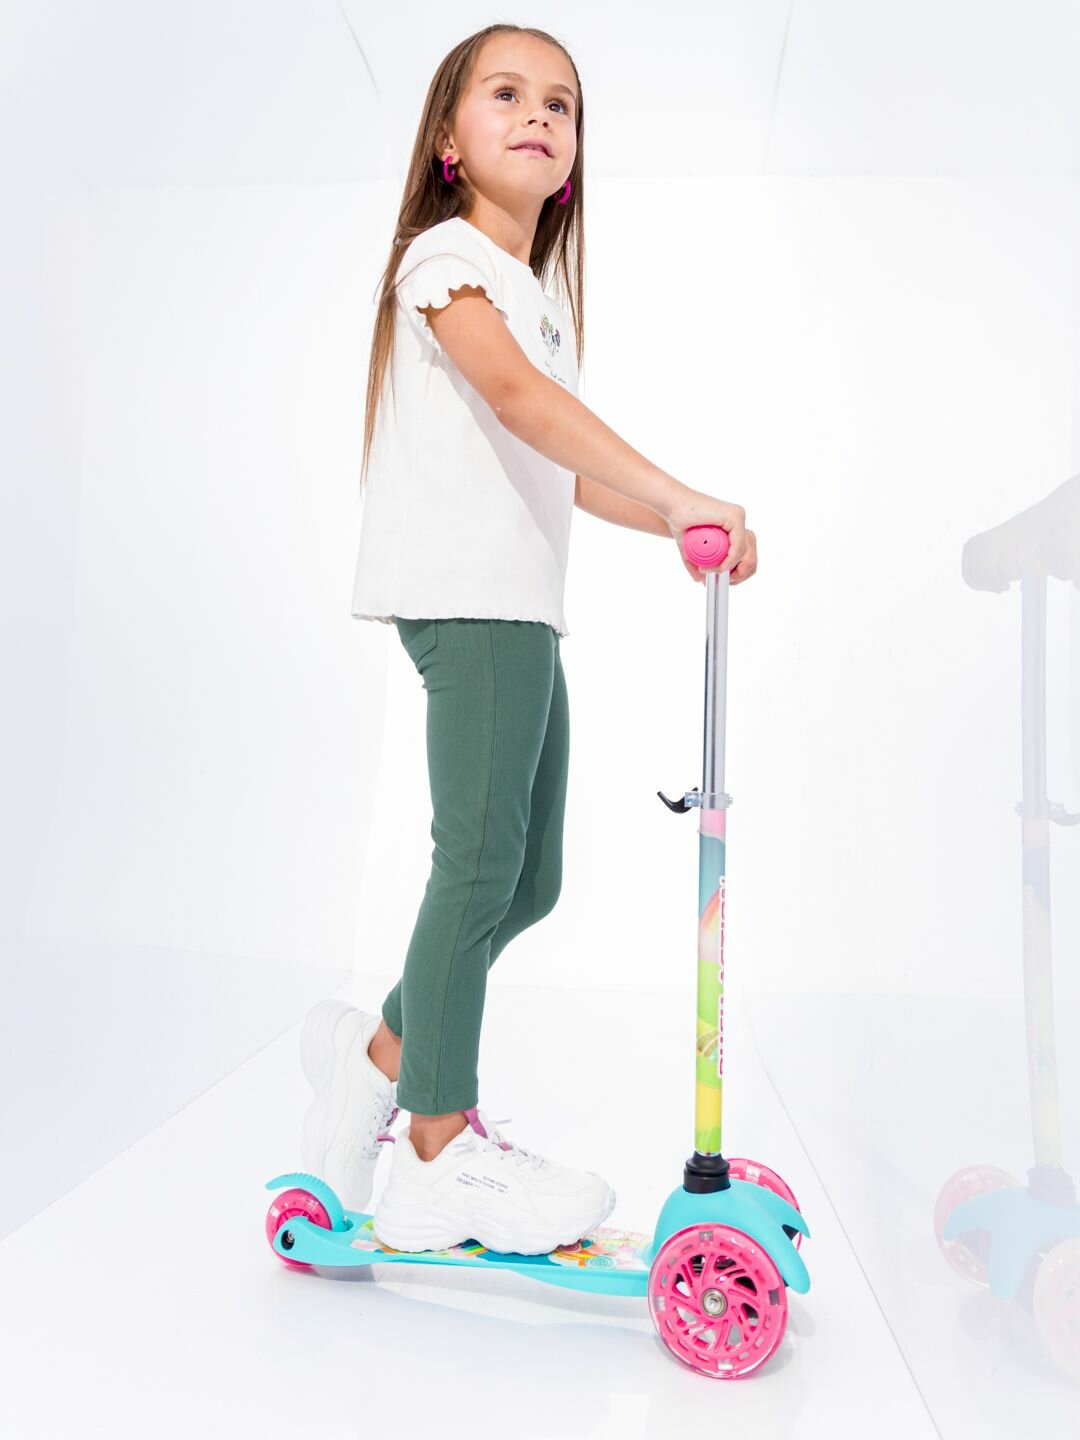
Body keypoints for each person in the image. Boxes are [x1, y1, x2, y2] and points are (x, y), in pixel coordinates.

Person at [301, 22, 758, 1257]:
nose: (540, 115)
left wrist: (676, 519)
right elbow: (518, 402)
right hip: (470, 601)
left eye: (560, 103)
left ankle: (380, 1055)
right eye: (505, 94)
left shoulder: (535, 298)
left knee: (527, 879)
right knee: (475, 869)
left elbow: (559, 465)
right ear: (449, 142)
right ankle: (435, 1150)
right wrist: (679, 491)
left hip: (519, 606)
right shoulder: (445, 258)